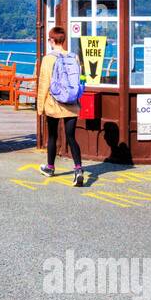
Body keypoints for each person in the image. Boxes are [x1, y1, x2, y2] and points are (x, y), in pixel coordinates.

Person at [35, 25, 85, 186]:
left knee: (52, 136)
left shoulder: (48, 59)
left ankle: (50, 167)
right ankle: (78, 169)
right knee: (71, 137)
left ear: (51, 40)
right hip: (71, 103)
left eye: (49, 39)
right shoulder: (74, 57)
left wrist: (40, 107)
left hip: (54, 103)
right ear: (63, 40)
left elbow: (44, 84)